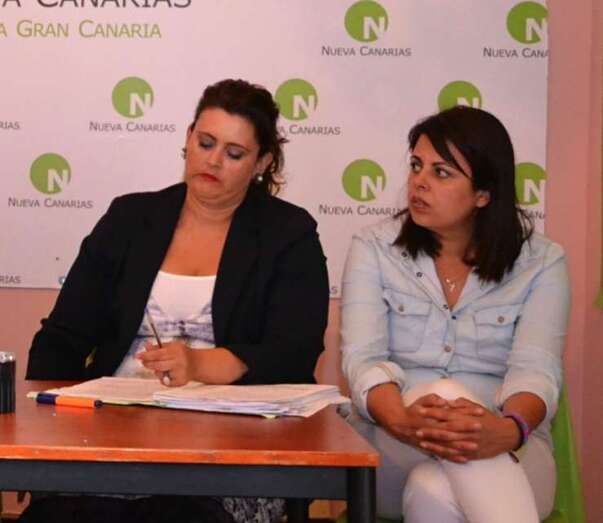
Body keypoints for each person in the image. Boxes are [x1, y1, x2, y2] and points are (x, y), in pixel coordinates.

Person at [23, 78, 330, 523]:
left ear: (262, 162)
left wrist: (200, 364)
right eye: (205, 143)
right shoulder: (130, 218)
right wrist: (47, 433)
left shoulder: (288, 234)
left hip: (234, 447)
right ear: (187, 138)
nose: (213, 160)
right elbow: (62, 337)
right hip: (111, 433)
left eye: (234, 153)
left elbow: (294, 352)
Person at [340, 106, 570, 523]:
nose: (419, 182)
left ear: (483, 194)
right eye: (416, 165)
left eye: (441, 172)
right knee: (445, 394)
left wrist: (508, 430)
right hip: (396, 442)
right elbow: (364, 361)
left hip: (507, 447)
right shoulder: (374, 248)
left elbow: (535, 370)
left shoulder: (542, 261)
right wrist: (404, 422)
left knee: (434, 489)